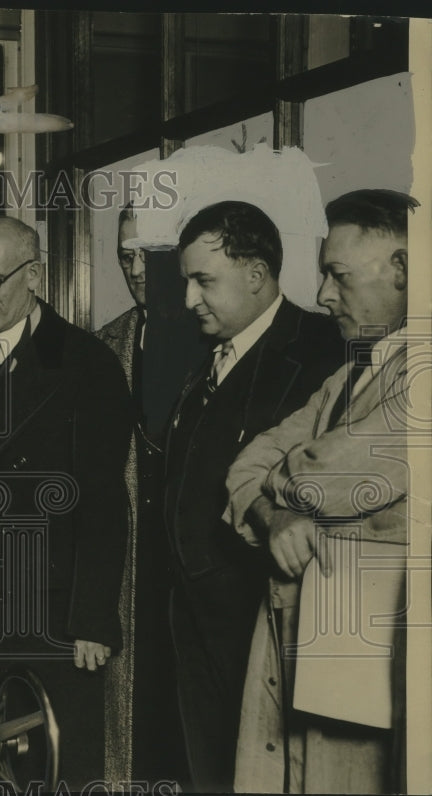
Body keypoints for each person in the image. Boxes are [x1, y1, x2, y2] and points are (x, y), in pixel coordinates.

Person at [224, 189, 419, 793]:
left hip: (369, 637)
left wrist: (276, 492)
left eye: (338, 274)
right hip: (321, 627)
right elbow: (241, 467)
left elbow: (319, 476)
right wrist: (274, 516)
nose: (323, 295)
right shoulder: (350, 371)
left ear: (404, 269)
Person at [0, 216, 132, 790]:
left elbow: (102, 498)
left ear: (36, 274)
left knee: (54, 767)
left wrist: (92, 618)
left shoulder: (87, 364)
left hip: (51, 610)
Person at [164, 201, 345, 792]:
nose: (190, 299)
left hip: (264, 620)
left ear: (257, 274)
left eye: (203, 281)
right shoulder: (203, 361)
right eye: (187, 281)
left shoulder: (322, 352)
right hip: (195, 625)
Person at [96, 207, 196, 786]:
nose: (134, 269)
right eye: (123, 255)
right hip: (132, 579)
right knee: (135, 735)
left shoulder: (215, 343)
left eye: (145, 255)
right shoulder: (104, 346)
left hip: (199, 578)